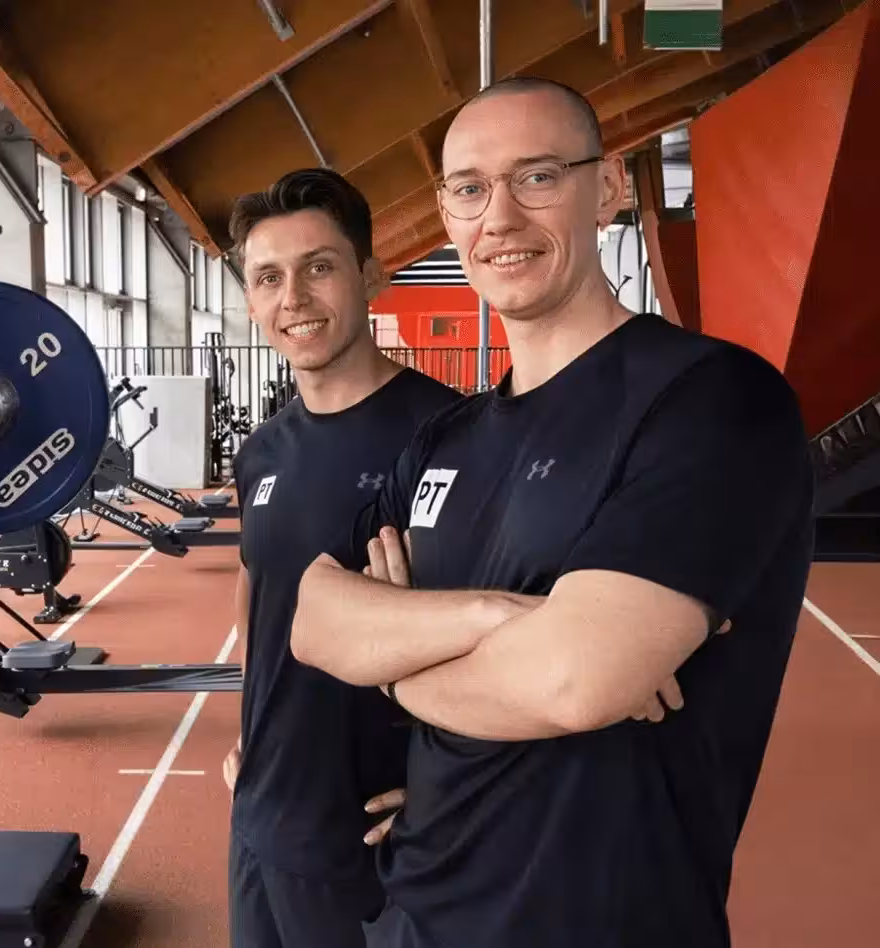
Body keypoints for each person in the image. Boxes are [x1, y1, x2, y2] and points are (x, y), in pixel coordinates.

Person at [290, 77, 814, 948]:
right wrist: (505, 616)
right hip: (416, 908)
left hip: (606, 918)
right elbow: (315, 616)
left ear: (606, 188)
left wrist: (393, 661)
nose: (498, 217)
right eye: (470, 188)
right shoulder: (444, 437)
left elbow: (574, 679)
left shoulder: (711, 401)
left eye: (537, 176)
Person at [222, 168, 463, 948]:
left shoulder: (453, 435)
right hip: (261, 819)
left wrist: (455, 783)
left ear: (368, 276)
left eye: (319, 267)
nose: (293, 297)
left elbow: (510, 622)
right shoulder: (260, 452)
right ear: (253, 299)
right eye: (269, 277)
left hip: (378, 837)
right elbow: (258, 587)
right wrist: (245, 731)